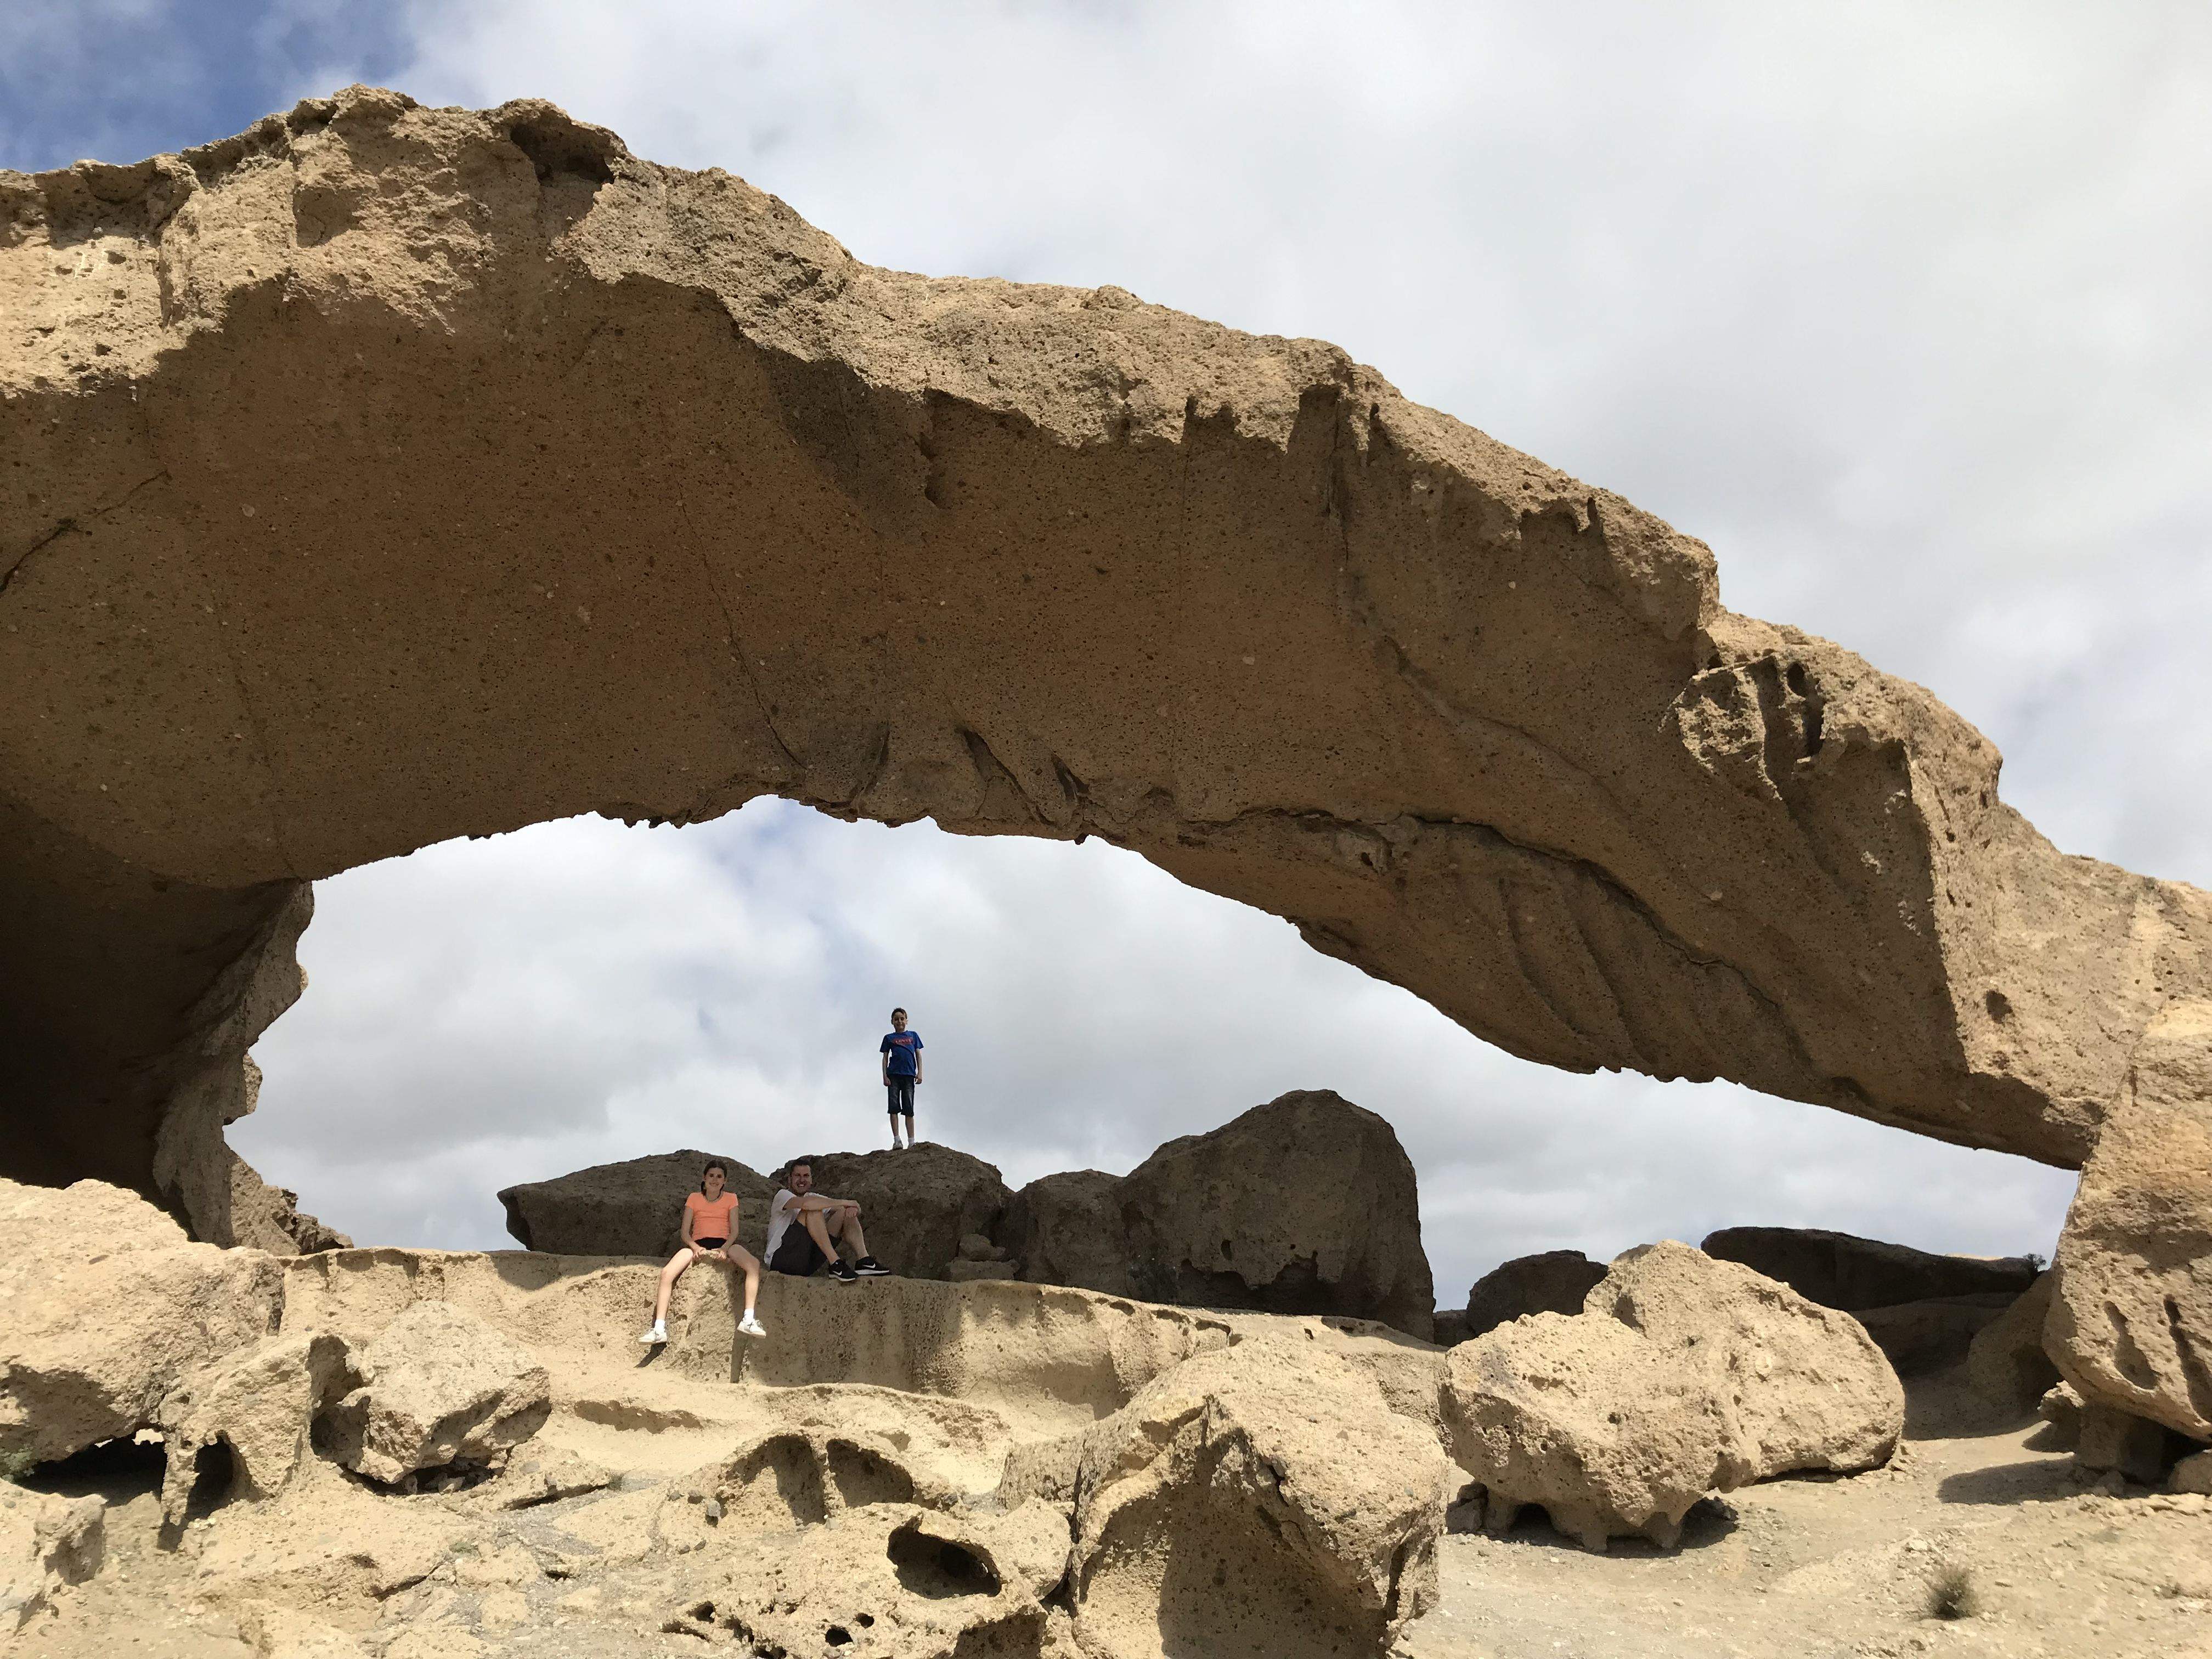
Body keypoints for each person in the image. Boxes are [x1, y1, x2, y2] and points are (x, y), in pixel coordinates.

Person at [639, 1159, 765, 1345]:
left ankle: (748, 1319)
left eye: (719, 1176)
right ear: (704, 1178)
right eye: (711, 1175)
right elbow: (684, 1232)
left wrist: (725, 1248)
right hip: (697, 1245)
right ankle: (659, 1328)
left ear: (725, 1181)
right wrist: (695, 1247)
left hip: (725, 1244)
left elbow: (735, 1230)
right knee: (667, 1273)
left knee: (753, 1264)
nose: (715, 1180)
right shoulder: (694, 1198)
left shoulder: (731, 1199)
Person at [763, 1158, 889, 1282]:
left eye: (806, 1176)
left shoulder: (814, 1198)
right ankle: (835, 1263)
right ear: (790, 1179)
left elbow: (855, 1208)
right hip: (781, 1259)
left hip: (806, 1262)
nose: (802, 1180)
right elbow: (807, 1205)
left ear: (811, 1179)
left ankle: (864, 1260)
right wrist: (846, 1202)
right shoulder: (783, 1195)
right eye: (798, 1176)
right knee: (813, 1209)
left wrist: (851, 1208)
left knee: (843, 1212)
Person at [879, 1007, 923, 1149]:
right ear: (892, 1022)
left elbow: (918, 1055)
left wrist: (920, 1072)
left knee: (909, 1108)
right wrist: (885, 1075)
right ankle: (897, 1140)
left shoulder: (913, 1036)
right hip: (893, 1075)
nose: (899, 1021)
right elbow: (885, 1057)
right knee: (893, 1107)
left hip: (909, 1075)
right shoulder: (889, 1038)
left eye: (902, 1019)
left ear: (906, 1020)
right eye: (896, 1019)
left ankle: (912, 1141)